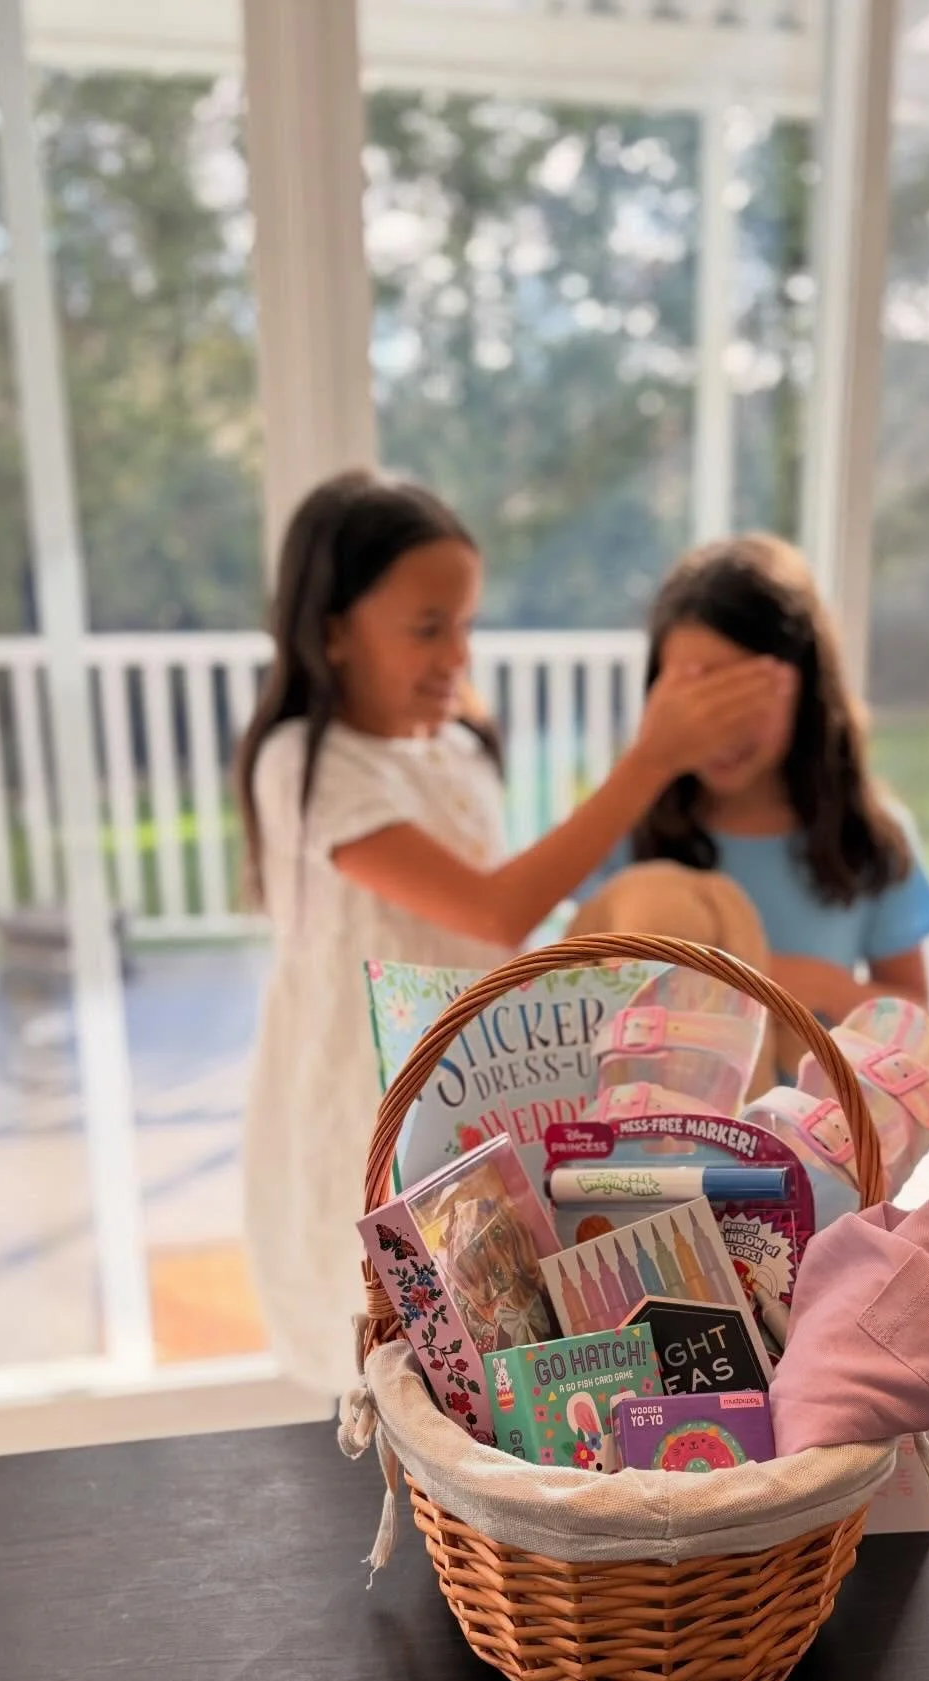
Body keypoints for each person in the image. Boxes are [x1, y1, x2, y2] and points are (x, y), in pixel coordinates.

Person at [237, 471, 792, 1391]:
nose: (457, 653)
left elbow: (490, 941)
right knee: (377, 1332)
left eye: (465, 624)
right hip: (362, 1095)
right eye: (428, 628)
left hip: (462, 1086)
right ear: (332, 631)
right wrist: (650, 759)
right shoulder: (310, 764)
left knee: (480, 1321)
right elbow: (494, 908)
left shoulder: (457, 752)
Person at [576, 533, 929, 1037]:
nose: (718, 726)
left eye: (742, 694)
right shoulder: (622, 831)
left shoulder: (870, 839)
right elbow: (577, 991)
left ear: (807, 686)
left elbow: (915, 1017)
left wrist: (825, 988)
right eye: (694, 695)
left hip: (821, 1089)